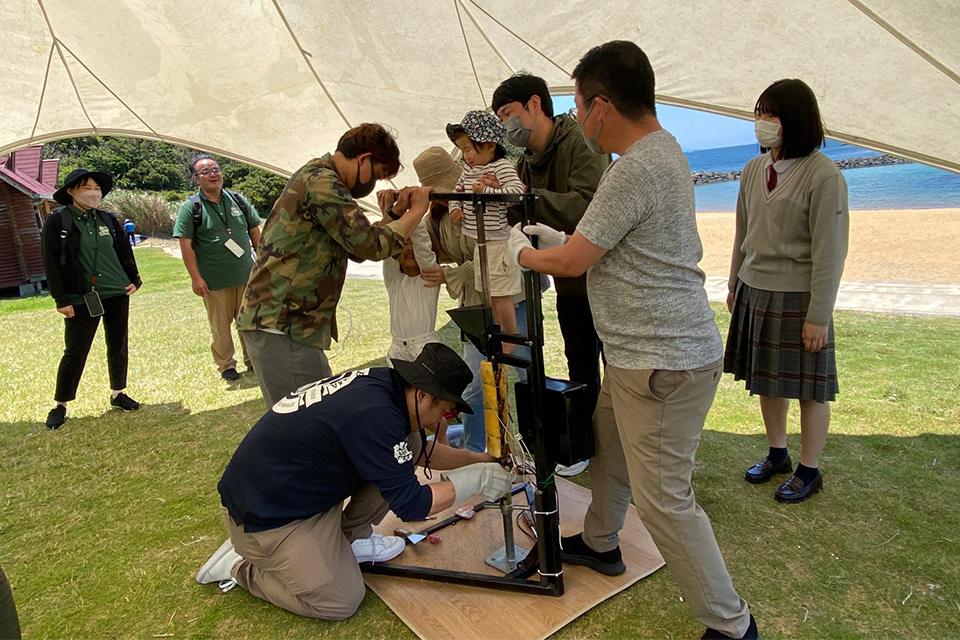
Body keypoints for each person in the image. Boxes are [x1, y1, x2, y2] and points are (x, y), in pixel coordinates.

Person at [507, 42, 758, 639]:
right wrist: (549, 232)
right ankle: (600, 543)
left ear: (600, 106)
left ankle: (732, 625)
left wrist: (518, 249)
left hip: (662, 361)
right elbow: (605, 246)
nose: (580, 120)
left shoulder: (635, 167)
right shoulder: (659, 153)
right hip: (635, 357)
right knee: (609, 449)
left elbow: (569, 261)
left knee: (666, 501)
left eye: (579, 106)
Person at [195, 343, 514, 621]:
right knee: (341, 600)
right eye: (444, 414)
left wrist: (480, 460)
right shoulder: (376, 416)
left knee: (408, 446)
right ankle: (241, 567)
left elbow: (417, 454)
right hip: (266, 518)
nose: (440, 423)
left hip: (293, 493)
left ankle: (342, 544)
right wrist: (477, 481)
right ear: (423, 395)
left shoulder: (385, 389)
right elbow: (411, 504)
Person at [236, 124, 432, 406]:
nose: (373, 185)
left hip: (284, 323)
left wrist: (395, 213)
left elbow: (356, 247)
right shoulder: (324, 182)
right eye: (376, 175)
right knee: (305, 423)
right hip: (283, 324)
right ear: (363, 158)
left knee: (313, 415)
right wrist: (416, 212)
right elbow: (371, 245)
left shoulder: (318, 176)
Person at [724, 79, 849, 504]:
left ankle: (809, 470)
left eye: (772, 114)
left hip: (800, 297)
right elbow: (743, 232)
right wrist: (733, 283)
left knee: (811, 387)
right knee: (768, 383)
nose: (762, 122)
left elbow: (830, 251)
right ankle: (777, 453)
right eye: (760, 113)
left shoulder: (823, 174)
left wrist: (819, 314)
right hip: (755, 288)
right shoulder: (753, 169)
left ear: (795, 120)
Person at [492, 73, 610, 477]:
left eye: (508, 114)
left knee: (618, 369)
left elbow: (589, 206)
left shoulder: (579, 142)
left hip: (603, 282)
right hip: (567, 283)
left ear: (535, 105)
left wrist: (527, 199)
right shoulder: (524, 162)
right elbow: (520, 214)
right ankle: (590, 446)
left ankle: (624, 447)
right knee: (580, 364)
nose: (506, 126)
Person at [41, 169, 142, 430]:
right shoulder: (58, 222)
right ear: (72, 191)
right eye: (87, 187)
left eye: (97, 188)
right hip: (79, 297)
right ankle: (61, 404)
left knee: (118, 343)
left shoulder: (108, 219)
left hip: (116, 292)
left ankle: (118, 393)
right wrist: (61, 299)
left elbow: (124, 251)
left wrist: (134, 278)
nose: (94, 192)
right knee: (76, 350)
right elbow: (50, 263)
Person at [173, 154, 262, 382]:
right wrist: (196, 278)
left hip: (246, 276)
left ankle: (254, 360)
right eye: (205, 172)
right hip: (214, 280)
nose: (213, 174)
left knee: (250, 321)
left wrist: (262, 262)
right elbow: (186, 245)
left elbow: (254, 230)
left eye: (215, 169)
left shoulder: (237, 200)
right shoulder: (190, 207)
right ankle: (226, 366)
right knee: (220, 327)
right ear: (195, 179)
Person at [445, 110, 525, 354]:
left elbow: (517, 192)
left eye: (469, 149)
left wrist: (485, 193)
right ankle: (499, 332)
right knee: (489, 295)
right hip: (479, 243)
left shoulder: (501, 167)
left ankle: (511, 336)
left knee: (501, 295)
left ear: (490, 145)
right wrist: (455, 209)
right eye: (463, 150)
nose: (466, 156)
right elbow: (457, 193)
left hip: (498, 243)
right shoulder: (467, 172)